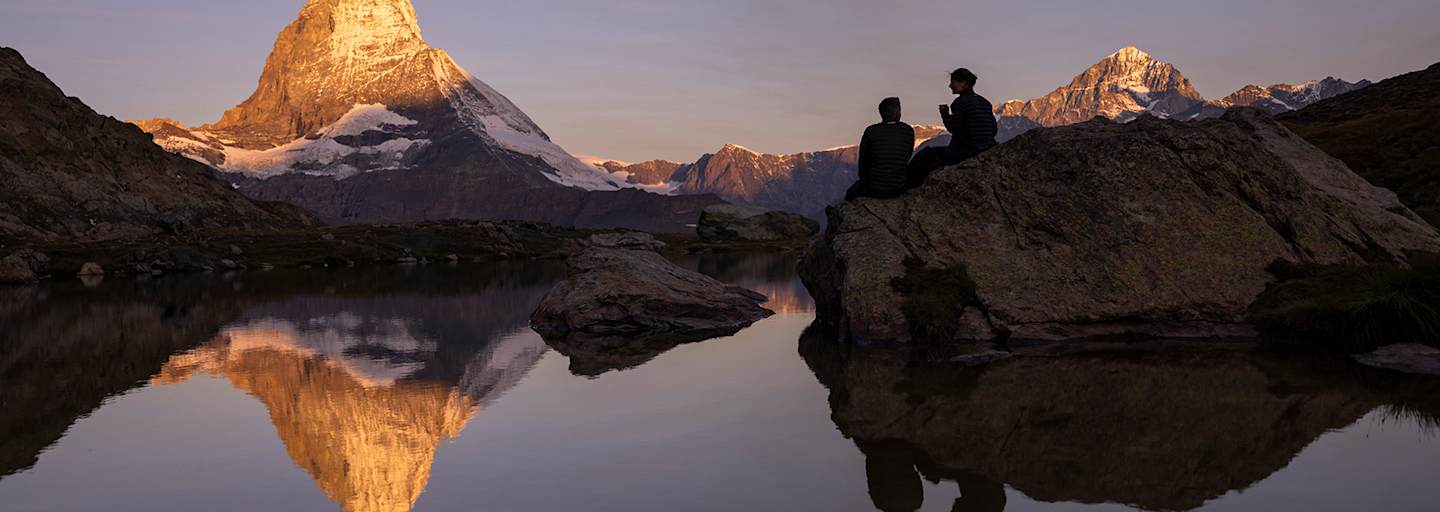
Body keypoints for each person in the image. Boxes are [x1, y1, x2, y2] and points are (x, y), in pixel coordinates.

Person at [908, 68, 998, 187]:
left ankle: (909, 186)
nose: (950, 85)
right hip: (986, 147)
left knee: (925, 155)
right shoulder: (985, 102)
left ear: (963, 83)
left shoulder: (960, 102)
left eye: (953, 82)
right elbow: (993, 129)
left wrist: (945, 114)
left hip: (965, 151)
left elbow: (953, 127)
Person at [845, 97, 916, 201]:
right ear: (897, 113)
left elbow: (863, 162)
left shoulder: (871, 131)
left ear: (882, 113)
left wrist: (865, 177)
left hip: (875, 188)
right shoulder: (908, 131)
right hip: (900, 186)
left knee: (850, 194)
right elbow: (907, 155)